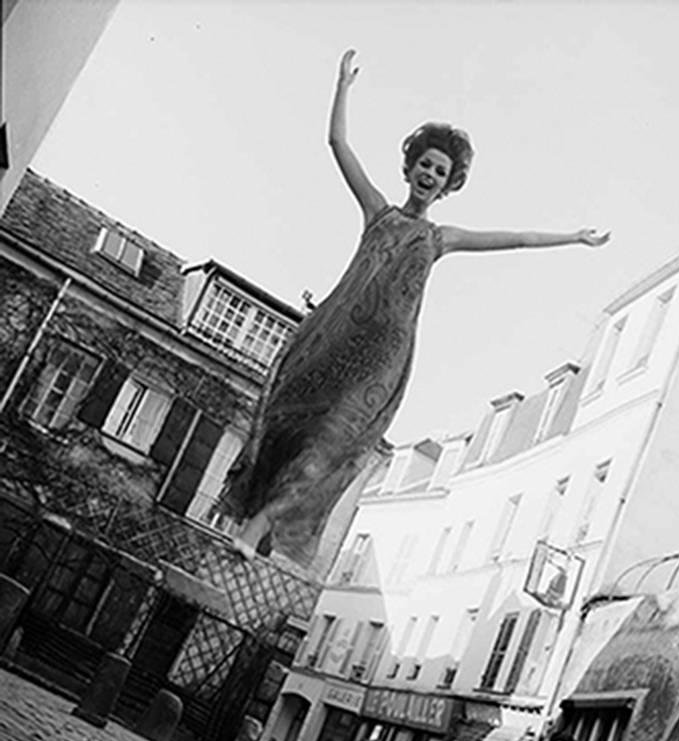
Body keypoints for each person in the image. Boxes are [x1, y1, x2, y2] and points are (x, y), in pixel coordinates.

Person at [223, 49, 610, 566]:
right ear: (410, 170)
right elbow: (338, 144)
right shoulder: (378, 213)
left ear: (449, 185)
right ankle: (254, 520)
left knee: (329, 446)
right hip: (333, 337)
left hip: (379, 361)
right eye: (424, 165)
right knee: (291, 424)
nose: (430, 174)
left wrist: (575, 238)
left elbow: (514, 239)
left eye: (440, 171)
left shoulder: (439, 238)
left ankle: (257, 529)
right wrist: (343, 85)